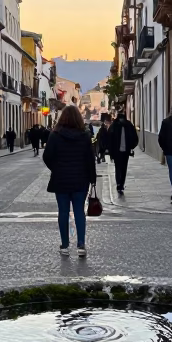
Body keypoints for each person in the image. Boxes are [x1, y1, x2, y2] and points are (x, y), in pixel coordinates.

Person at [43, 104, 96, 258]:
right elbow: (90, 160)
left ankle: (65, 246)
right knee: (79, 211)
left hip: (61, 180)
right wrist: (92, 179)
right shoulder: (85, 136)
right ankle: (81, 245)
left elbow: (47, 157)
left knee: (63, 212)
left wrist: (56, 168)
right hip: (81, 180)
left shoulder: (55, 135)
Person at [107, 109, 138, 196]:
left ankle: (119, 184)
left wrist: (110, 151)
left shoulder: (114, 125)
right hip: (125, 151)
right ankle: (121, 185)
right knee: (124, 168)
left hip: (117, 151)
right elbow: (135, 138)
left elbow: (109, 139)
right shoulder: (129, 125)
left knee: (118, 168)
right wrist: (131, 147)